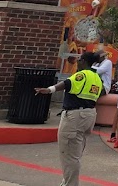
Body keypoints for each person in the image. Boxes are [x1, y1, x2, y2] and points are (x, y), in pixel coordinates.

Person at [34, 51, 103, 186]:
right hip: (89, 115)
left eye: (79, 59)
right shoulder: (96, 77)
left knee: (69, 155)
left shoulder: (81, 75)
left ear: (83, 61)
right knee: (75, 153)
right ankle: (66, 182)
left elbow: (67, 84)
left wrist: (49, 90)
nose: (77, 62)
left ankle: (70, 184)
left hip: (74, 116)